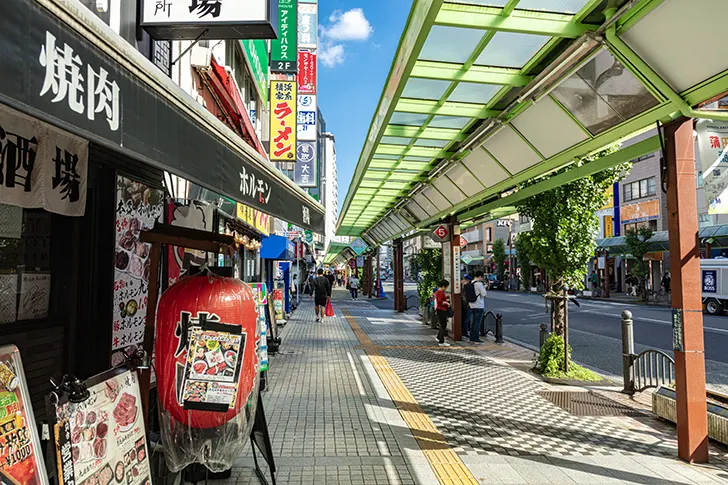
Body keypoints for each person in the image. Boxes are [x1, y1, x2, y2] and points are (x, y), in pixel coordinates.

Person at [469, 271, 487, 342]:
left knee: (473, 322)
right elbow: (484, 294)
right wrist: (484, 287)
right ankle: (475, 337)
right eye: (482, 277)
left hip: (471, 305)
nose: (482, 278)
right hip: (479, 305)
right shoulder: (479, 284)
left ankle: (472, 336)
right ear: (479, 276)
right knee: (477, 322)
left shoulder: (471, 282)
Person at [434, 280, 451, 347]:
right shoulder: (440, 292)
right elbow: (440, 301)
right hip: (442, 310)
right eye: (446, 287)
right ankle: (441, 341)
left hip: (439, 310)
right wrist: (446, 303)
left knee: (442, 324)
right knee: (443, 325)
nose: (446, 288)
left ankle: (439, 337)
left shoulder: (438, 292)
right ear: (444, 286)